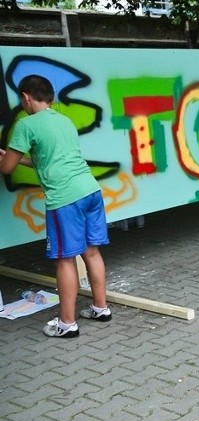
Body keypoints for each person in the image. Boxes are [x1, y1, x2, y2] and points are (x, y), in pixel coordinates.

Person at [0, 74, 112, 338]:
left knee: (64, 260)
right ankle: (100, 308)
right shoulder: (64, 120)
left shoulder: (26, 125)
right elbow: (47, 159)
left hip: (65, 199)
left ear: (26, 97)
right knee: (92, 252)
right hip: (90, 190)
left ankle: (67, 323)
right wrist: (16, 158)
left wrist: (6, 159)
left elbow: (6, 168)